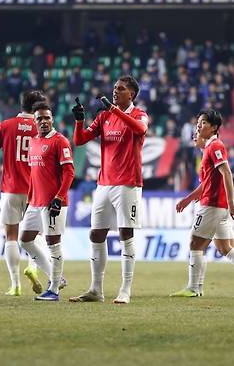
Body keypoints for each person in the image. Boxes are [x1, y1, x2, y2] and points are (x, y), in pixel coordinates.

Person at [170, 110, 234, 298]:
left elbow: (227, 172)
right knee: (226, 247)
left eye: (203, 123)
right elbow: (206, 184)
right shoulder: (208, 149)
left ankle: (194, 288)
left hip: (212, 205)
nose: (198, 127)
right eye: (198, 123)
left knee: (195, 244)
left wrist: (231, 202)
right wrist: (188, 199)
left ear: (214, 127)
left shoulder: (215, 146)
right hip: (218, 206)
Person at [69, 76, 149, 304]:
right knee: (96, 234)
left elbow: (140, 129)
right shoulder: (104, 116)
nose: (115, 91)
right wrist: (79, 121)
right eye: (114, 88)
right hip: (104, 183)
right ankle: (96, 289)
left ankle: (125, 290)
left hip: (128, 183)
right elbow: (80, 140)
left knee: (126, 234)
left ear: (131, 94)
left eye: (120, 89)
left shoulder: (139, 114)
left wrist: (114, 109)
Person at [0, 90, 47, 296]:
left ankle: (15, 285)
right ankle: (33, 267)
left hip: (10, 189)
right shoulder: (42, 126)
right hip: (35, 189)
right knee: (37, 234)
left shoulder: (6, 126)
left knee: (11, 236)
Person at [19, 102, 75, 301]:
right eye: (39, 118)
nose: (43, 121)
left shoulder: (60, 141)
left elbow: (69, 172)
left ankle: (54, 290)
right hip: (35, 202)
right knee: (25, 240)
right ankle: (56, 277)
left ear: (52, 119)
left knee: (53, 244)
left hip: (53, 203)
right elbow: (34, 175)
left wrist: (59, 197)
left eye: (47, 118)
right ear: (34, 122)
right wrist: (29, 199)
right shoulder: (33, 142)